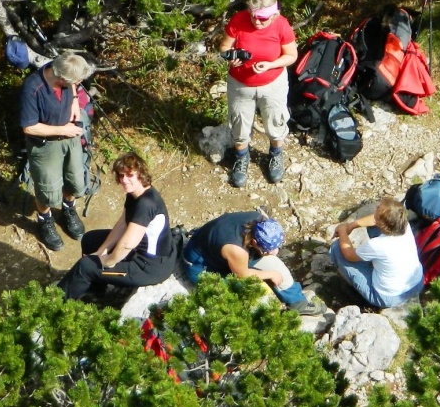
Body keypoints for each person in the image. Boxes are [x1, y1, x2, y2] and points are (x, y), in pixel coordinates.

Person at [60, 152, 179, 301]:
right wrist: (101, 251)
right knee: (89, 240)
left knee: (85, 266)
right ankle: (95, 291)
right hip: (140, 254)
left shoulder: (146, 204)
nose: (124, 180)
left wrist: (107, 261)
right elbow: (122, 224)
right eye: (121, 176)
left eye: (129, 175)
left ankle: (56, 302)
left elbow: (127, 244)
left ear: (141, 174)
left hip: (148, 266)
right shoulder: (135, 194)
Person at [218, 0, 297, 188]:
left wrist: (270, 65)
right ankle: (241, 158)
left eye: (262, 18)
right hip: (240, 84)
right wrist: (232, 57)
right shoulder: (238, 20)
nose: (257, 22)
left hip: (273, 84)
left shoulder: (281, 25)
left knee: (275, 123)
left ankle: (275, 154)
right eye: (253, 16)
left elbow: (291, 55)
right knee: (239, 124)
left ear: (274, 14)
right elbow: (224, 47)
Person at [19, 51, 95, 251]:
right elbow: (29, 127)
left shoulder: (64, 72)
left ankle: (69, 209)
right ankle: (45, 219)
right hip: (45, 145)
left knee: (75, 179)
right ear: (61, 78)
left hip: (70, 139)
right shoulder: (33, 88)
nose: (78, 85)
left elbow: (73, 85)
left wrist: (75, 103)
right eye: (76, 81)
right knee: (47, 189)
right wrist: (63, 130)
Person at [182, 210, 324, 313]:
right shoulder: (236, 249)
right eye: (268, 250)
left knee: (279, 270)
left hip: (229, 252)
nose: (275, 253)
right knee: (246, 292)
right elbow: (242, 275)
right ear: (255, 242)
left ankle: (297, 303)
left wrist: (274, 269)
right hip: (201, 266)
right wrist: (270, 275)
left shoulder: (259, 221)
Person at [328, 196, 424, 309]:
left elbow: (349, 255)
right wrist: (352, 225)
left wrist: (342, 230)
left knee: (337, 248)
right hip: (417, 283)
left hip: (388, 296)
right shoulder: (403, 225)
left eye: (378, 209)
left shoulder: (377, 245)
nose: (375, 208)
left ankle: (354, 295)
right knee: (373, 228)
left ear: (382, 222)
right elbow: (375, 221)